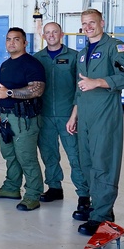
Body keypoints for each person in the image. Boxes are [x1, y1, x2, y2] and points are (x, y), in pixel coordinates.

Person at [66, 9, 124, 235]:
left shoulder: (116, 47)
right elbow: (80, 88)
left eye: (91, 23)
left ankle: (103, 215)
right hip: (84, 115)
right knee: (87, 163)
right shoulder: (83, 53)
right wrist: (74, 115)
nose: (87, 27)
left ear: (102, 23)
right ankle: (97, 206)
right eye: (84, 24)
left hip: (105, 115)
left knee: (103, 163)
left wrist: (99, 81)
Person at [0, 27, 46, 211]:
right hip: (5, 117)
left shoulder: (32, 64)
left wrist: (9, 93)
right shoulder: (5, 64)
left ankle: (33, 194)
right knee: (9, 155)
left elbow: (37, 89)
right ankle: (11, 187)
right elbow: (1, 91)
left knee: (26, 157)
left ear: (25, 43)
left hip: (25, 119)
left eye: (16, 39)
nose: (11, 43)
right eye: (8, 39)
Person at [33, 22, 86, 205]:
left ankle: (84, 194)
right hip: (44, 114)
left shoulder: (74, 57)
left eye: (54, 32)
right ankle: (54, 187)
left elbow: (81, 88)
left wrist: (75, 114)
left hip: (68, 115)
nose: (51, 35)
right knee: (49, 154)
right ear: (43, 35)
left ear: (61, 34)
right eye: (47, 32)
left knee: (75, 155)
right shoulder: (37, 58)